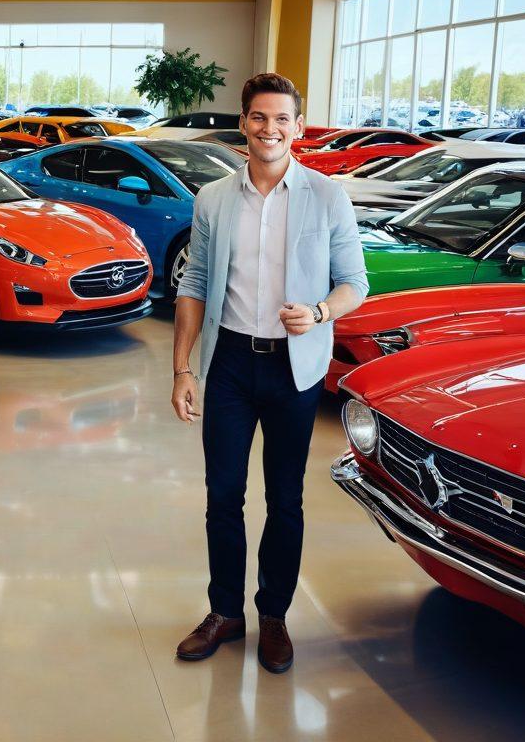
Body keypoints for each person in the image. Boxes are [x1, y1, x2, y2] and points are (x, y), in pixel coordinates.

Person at [170, 73, 368, 674]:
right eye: (259, 117)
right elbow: (194, 283)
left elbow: (354, 283)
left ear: (298, 127)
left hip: (294, 367)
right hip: (229, 361)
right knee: (222, 495)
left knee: (285, 498)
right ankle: (225, 612)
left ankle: (274, 615)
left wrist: (320, 312)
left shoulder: (327, 197)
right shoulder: (213, 199)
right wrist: (182, 368)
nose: (270, 128)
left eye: (282, 118)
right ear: (243, 124)